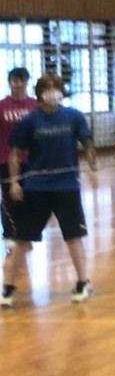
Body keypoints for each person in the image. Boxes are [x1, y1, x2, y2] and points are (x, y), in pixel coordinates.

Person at [3, 72, 96, 309]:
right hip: (37, 187)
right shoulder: (30, 121)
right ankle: (9, 287)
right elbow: (15, 154)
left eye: (56, 88)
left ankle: (83, 282)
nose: (52, 93)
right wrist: (14, 182)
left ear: (62, 92)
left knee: (73, 235)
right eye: (47, 89)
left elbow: (87, 144)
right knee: (23, 239)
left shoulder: (74, 117)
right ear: (40, 94)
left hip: (67, 186)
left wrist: (93, 168)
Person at [1, 67, 36, 256]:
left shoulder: (34, 106)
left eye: (22, 80)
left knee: (29, 198)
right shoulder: (2, 106)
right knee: (9, 198)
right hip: (5, 159)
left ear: (27, 82)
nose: (18, 84)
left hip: (31, 160)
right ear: (9, 82)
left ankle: (25, 236)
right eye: (15, 80)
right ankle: (9, 236)